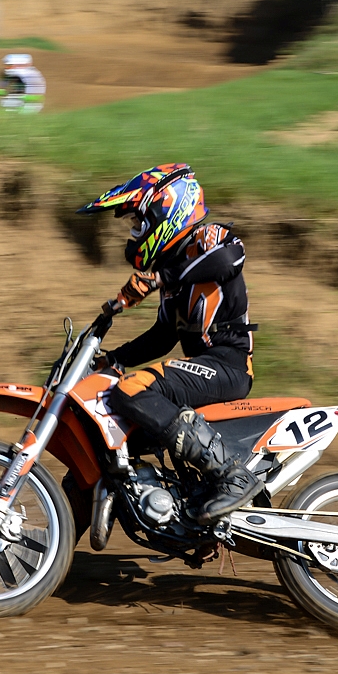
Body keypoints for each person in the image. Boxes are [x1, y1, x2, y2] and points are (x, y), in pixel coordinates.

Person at [76, 164, 263, 522]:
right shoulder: (175, 272)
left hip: (228, 365)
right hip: (205, 368)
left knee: (132, 389)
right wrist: (113, 359)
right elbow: (163, 337)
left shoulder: (208, 239)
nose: (135, 231)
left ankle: (233, 476)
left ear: (167, 211)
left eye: (138, 221)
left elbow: (230, 259)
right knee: (113, 412)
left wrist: (160, 278)